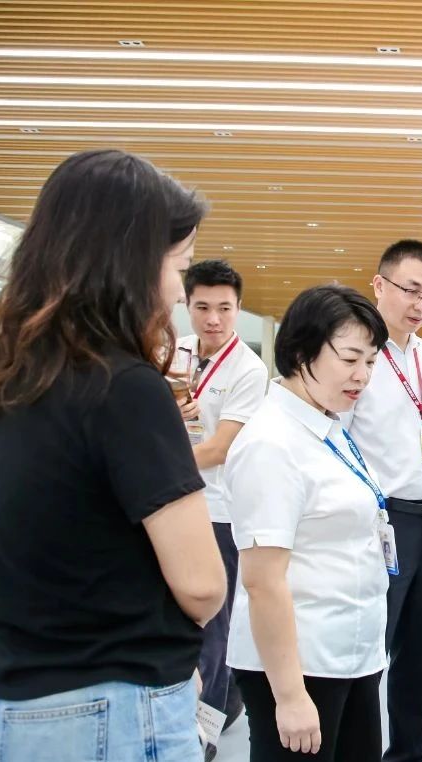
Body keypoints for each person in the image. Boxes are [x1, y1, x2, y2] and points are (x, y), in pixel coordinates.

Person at [0, 148, 226, 760]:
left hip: (11, 702)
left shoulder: (4, 376)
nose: (178, 292)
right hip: (110, 709)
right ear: (131, 263)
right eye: (179, 266)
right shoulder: (127, 387)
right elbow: (202, 586)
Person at [225, 284, 390, 761]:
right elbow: (263, 582)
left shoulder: (326, 425)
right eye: (350, 358)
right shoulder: (271, 444)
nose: (362, 375)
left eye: (371, 361)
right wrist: (291, 696)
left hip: (350, 653)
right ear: (301, 353)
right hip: (301, 666)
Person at [346, 240, 422, 762]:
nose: (421, 304)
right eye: (411, 290)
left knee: (420, 650)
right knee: (372, 650)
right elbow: (337, 441)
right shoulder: (357, 353)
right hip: (385, 521)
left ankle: (410, 753)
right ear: (379, 285)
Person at [174, 259, 268, 754]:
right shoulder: (173, 352)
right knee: (179, 616)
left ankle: (204, 731)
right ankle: (227, 699)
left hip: (219, 511)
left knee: (214, 623)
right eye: (203, 307)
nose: (213, 319)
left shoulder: (249, 370)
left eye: (225, 308)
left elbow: (220, 448)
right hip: (174, 505)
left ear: (239, 308)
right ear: (187, 305)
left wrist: (157, 462)